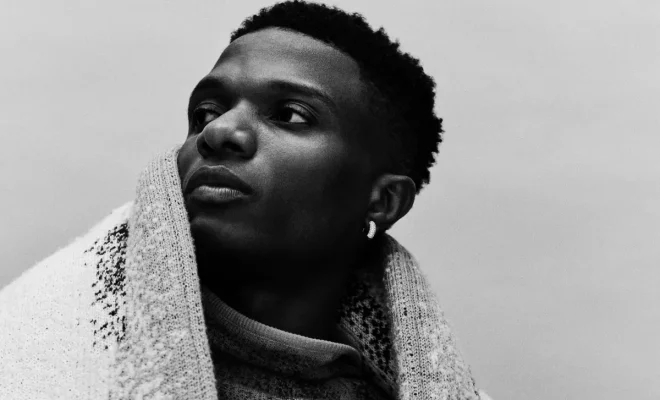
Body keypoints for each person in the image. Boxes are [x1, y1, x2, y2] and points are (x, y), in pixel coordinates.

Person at [0, 1, 492, 399]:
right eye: (205, 112)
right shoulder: (35, 353)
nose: (218, 132)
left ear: (383, 201)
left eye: (290, 115)